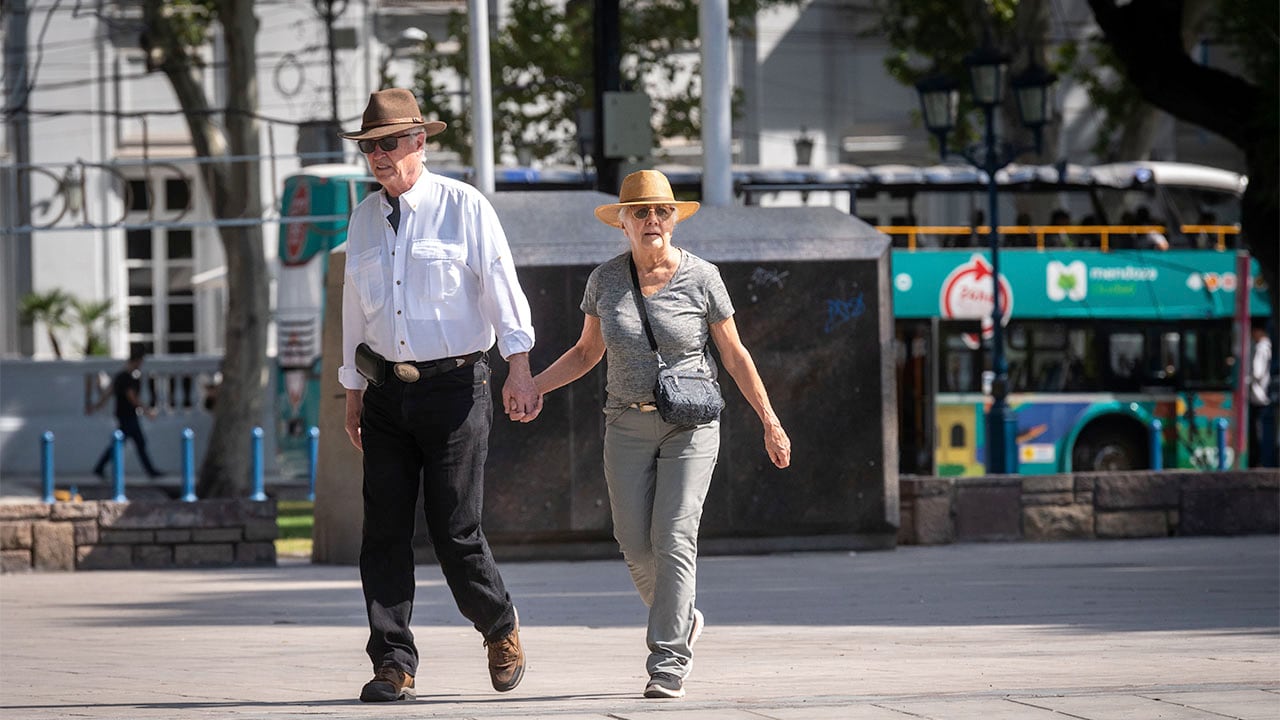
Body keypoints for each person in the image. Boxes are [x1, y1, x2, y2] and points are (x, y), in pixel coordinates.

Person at [532, 170, 792, 699]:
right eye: (642, 212)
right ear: (623, 222)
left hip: (691, 423)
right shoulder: (605, 280)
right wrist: (533, 386)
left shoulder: (702, 277)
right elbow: (587, 352)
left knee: (674, 536)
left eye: (663, 211)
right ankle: (683, 617)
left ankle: (667, 659)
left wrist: (770, 420)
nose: (653, 220)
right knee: (633, 543)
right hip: (625, 421)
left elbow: (734, 355)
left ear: (673, 219)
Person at [337, 88, 537, 703]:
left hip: (456, 388)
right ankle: (392, 662)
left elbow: (502, 284)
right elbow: (353, 312)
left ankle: (498, 625)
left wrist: (519, 365)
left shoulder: (464, 206)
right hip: (385, 395)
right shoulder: (365, 217)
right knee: (384, 531)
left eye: (388, 143)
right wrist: (351, 392)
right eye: (369, 146)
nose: (378, 155)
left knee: (455, 527)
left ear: (420, 142)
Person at [89, 351, 164, 480]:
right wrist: (147, 412)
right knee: (125, 443)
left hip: (124, 414)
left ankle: (150, 471)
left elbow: (108, 393)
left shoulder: (120, 377)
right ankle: (99, 468)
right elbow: (132, 397)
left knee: (134, 443)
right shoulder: (127, 378)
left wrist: (96, 406)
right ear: (135, 361)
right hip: (127, 415)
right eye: (140, 362)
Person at [1248, 324, 1272, 467]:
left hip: (1258, 396)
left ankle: (1257, 461)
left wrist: (1246, 378)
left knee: (1257, 432)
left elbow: (1257, 372)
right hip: (1263, 396)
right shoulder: (1268, 346)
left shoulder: (1261, 347)